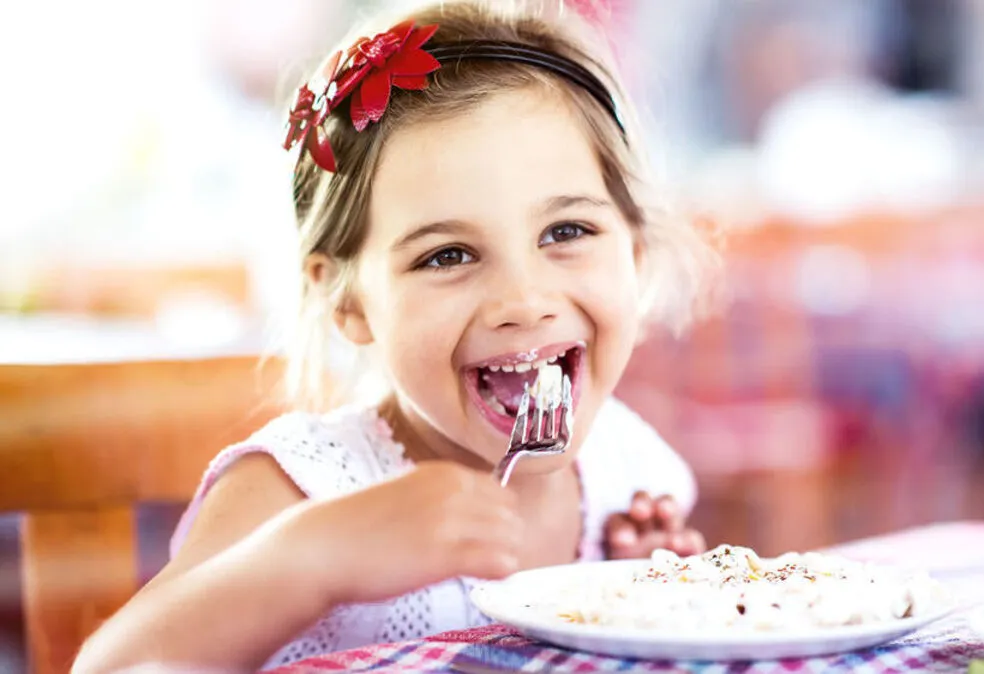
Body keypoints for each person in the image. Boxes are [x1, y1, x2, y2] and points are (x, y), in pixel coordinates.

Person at [74, 1, 718, 671]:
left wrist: (637, 594)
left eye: (566, 232)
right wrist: (316, 555)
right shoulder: (308, 487)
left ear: (635, 256)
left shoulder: (630, 466)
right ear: (345, 298)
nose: (524, 302)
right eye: (447, 255)